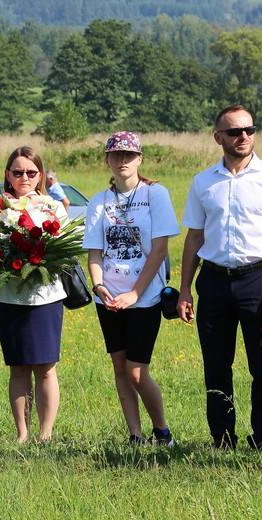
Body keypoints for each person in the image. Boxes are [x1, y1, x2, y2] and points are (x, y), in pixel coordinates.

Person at [177, 104, 262, 449]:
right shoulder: (203, 182)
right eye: (234, 131)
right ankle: (222, 438)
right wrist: (184, 289)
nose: (243, 136)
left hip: (258, 281)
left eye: (249, 129)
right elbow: (194, 237)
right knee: (215, 365)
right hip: (213, 283)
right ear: (218, 138)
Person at [84, 131, 178, 446]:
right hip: (109, 298)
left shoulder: (155, 194)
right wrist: (98, 286)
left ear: (139, 159)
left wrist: (135, 293)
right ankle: (135, 435)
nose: (122, 160)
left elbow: (160, 250)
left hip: (145, 297)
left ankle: (162, 432)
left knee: (137, 371)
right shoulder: (99, 201)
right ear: (107, 160)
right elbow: (95, 253)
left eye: (129, 154)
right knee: (120, 367)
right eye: (116, 154)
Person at [0, 147, 66, 443]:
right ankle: (22, 432)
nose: (24, 177)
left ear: (40, 175)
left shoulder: (53, 207)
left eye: (31, 173)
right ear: (7, 175)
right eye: (18, 172)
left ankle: (45, 433)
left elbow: (63, 250)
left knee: (46, 368)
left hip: (45, 297)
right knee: (18, 367)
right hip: (9, 297)